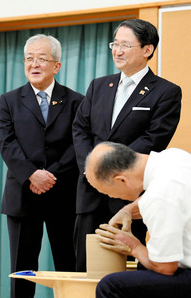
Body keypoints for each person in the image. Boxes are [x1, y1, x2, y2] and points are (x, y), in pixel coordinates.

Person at [72, 18, 182, 271]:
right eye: (115, 43)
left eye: (125, 45)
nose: (117, 51)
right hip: (90, 189)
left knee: (128, 265)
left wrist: (110, 169)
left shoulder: (166, 91)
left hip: (130, 194)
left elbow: (155, 138)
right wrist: (91, 170)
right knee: (85, 262)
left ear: (147, 50)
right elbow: (80, 129)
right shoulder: (99, 85)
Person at [0, 34, 84, 298]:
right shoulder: (9, 100)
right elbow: (6, 143)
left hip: (63, 193)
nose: (34, 64)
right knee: (22, 266)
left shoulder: (76, 101)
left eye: (42, 59)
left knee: (68, 263)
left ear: (56, 65)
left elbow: (77, 144)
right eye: (29, 59)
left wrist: (50, 176)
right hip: (23, 194)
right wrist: (32, 175)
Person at [84, 141, 191, 298]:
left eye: (107, 192)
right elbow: (166, 195)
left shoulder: (158, 197)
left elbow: (166, 268)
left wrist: (133, 246)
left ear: (121, 180)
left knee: (109, 288)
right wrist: (127, 210)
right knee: (142, 272)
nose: (111, 196)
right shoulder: (174, 157)